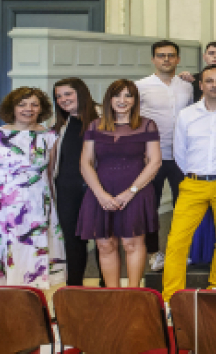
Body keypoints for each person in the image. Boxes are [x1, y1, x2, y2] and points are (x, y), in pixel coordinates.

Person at [160, 66, 216, 300]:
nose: (215, 85)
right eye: (209, 81)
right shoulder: (187, 114)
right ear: (201, 85)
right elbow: (179, 152)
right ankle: (171, 296)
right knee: (177, 240)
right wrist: (196, 173)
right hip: (193, 183)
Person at [0, 88, 65, 288]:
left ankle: (28, 303)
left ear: (41, 108)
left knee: (30, 257)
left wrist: (52, 212)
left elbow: (48, 175)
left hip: (35, 209)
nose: (29, 109)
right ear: (12, 108)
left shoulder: (49, 136)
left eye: (34, 104)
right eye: (22, 104)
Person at [78, 80, 161, 288]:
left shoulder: (147, 124)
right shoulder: (95, 125)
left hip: (136, 191)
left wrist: (130, 192)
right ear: (109, 99)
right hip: (101, 191)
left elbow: (155, 162)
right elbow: (85, 163)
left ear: (135, 100)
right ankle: (113, 295)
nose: (122, 100)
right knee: (105, 244)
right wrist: (100, 194)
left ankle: (133, 293)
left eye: (128, 95)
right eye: (117, 95)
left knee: (132, 242)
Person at [136, 39, 194, 270]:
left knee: (184, 207)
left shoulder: (187, 86)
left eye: (171, 55)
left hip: (182, 155)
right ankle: (153, 253)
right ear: (153, 59)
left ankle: (181, 251)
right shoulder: (140, 86)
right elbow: (134, 120)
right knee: (151, 208)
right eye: (161, 55)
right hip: (151, 157)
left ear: (178, 59)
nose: (166, 59)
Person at [50, 78, 102, 286]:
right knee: (72, 241)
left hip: (97, 188)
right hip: (66, 190)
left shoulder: (103, 117)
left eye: (68, 94)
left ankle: (107, 287)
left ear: (81, 93)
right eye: (58, 96)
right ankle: (74, 289)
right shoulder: (60, 125)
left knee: (103, 240)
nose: (63, 99)